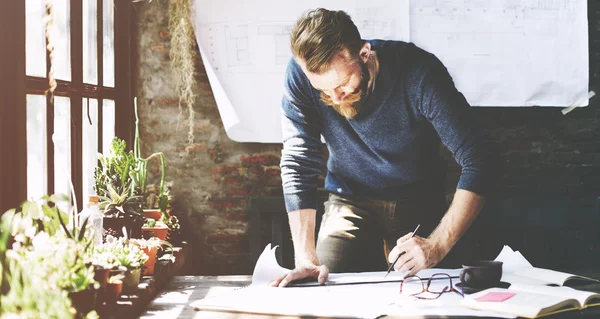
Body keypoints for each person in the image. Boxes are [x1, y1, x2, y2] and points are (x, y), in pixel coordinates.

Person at [273, 8, 499, 287]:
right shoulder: (300, 73)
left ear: (365, 54)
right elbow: (298, 161)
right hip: (349, 198)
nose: (333, 97)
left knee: (429, 294)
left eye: (342, 84)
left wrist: (437, 245)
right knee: (323, 285)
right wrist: (305, 257)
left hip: (417, 199)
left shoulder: (418, 73)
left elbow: (480, 158)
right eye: (322, 89)